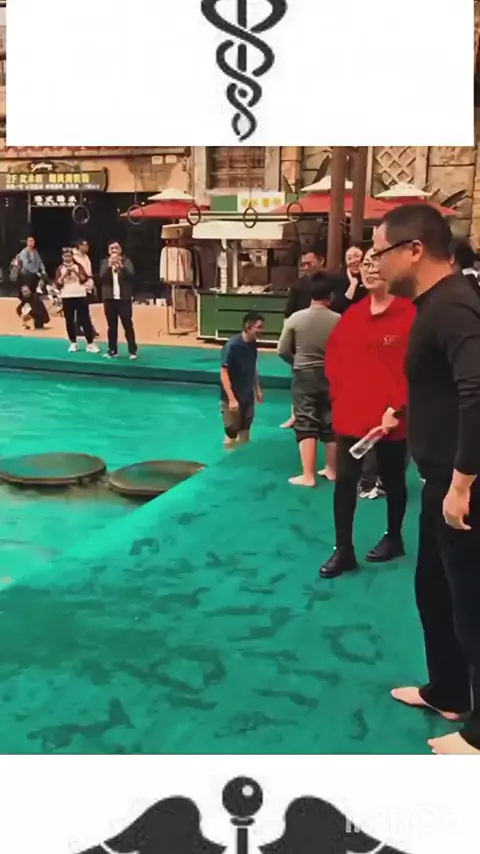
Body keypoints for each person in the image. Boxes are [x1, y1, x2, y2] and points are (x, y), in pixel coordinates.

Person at [373, 202, 480, 755]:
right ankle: (449, 690)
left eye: (380, 251)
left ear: (414, 250)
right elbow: (442, 386)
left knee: (471, 605)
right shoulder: (433, 305)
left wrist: (463, 483)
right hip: (439, 479)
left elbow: (477, 389)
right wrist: (403, 412)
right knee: (434, 591)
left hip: (463, 485)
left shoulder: (455, 305)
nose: (374, 263)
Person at [319, 247, 416, 579]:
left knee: (392, 479)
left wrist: (397, 409)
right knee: (345, 482)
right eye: (366, 263)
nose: (371, 268)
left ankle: (394, 536)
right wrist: (339, 396)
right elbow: (334, 360)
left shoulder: (409, 314)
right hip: (352, 416)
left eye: (377, 261)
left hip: (390, 420)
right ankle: (343, 549)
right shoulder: (353, 315)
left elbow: (415, 368)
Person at [278, 275, 339, 486]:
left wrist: (296, 362)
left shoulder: (296, 318)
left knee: (306, 421)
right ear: (330, 297)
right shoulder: (339, 319)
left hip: (304, 373)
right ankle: (332, 470)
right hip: (330, 373)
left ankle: (308, 475)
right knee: (330, 421)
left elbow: (282, 349)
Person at [220, 311, 264, 448]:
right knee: (231, 433)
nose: (262, 330)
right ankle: (228, 457)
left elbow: (252, 367)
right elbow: (224, 373)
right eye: (259, 327)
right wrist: (232, 399)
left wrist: (257, 388)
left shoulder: (253, 344)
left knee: (245, 429)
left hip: (247, 395)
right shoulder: (231, 346)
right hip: (232, 396)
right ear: (248, 327)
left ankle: (244, 455)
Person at [55, 247, 99, 353]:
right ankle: (73, 342)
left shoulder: (78, 266)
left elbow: (84, 279)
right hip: (67, 296)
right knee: (69, 320)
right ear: (62, 257)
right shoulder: (60, 268)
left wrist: (76, 272)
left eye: (69, 256)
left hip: (80, 295)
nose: (68, 258)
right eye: (65, 256)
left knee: (85, 319)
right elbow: (58, 284)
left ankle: (90, 343)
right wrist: (64, 275)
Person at [99, 241, 138, 360]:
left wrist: (121, 266)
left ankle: (132, 350)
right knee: (111, 326)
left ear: (120, 250)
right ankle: (112, 350)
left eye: (116, 248)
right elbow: (101, 277)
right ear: (108, 251)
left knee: (127, 324)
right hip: (109, 299)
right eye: (111, 248)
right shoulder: (104, 262)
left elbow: (131, 275)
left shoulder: (126, 261)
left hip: (123, 299)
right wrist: (109, 265)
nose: (114, 250)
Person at [73, 238, 99, 339]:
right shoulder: (74, 258)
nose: (87, 247)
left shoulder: (86, 257)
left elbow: (89, 272)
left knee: (82, 309)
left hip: (88, 285)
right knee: (83, 310)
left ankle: (78, 328)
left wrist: (92, 284)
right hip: (79, 286)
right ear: (79, 246)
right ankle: (89, 329)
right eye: (84, 245)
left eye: (87, 245)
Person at [331, 244, 366, 314]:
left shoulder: (372, 276)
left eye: (357, 256)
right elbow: (337, 309)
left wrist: (365, 279)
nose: (353, 261)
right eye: (349, 258)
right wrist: (352, 285)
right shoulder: (339, 279)